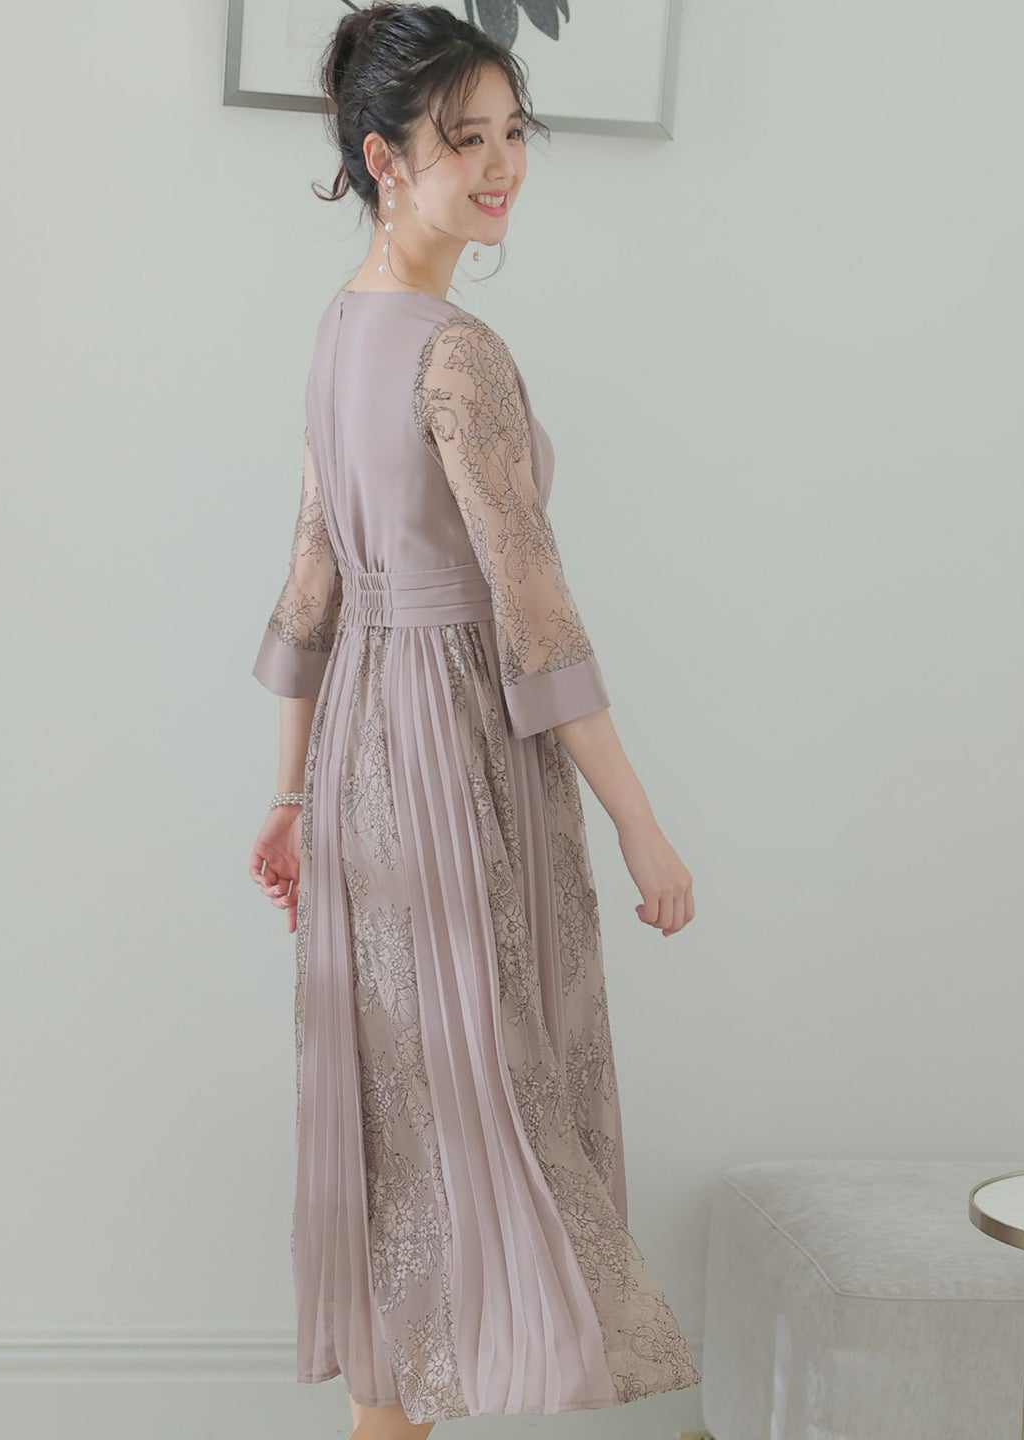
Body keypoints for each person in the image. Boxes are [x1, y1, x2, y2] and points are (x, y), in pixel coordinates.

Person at [248, 5, 698, 1435]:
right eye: (466, 140)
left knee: (411, 1123)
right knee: (490, 1103)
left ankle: (388, 1417)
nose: (502, 166)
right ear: (385, 158)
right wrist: (640, 825)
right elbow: (533, 610)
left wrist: (289, 796)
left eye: (513, 133)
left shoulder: (338, 328)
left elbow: (309, 581)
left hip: (360, 751)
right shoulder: (457, 351)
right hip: (452, 748)